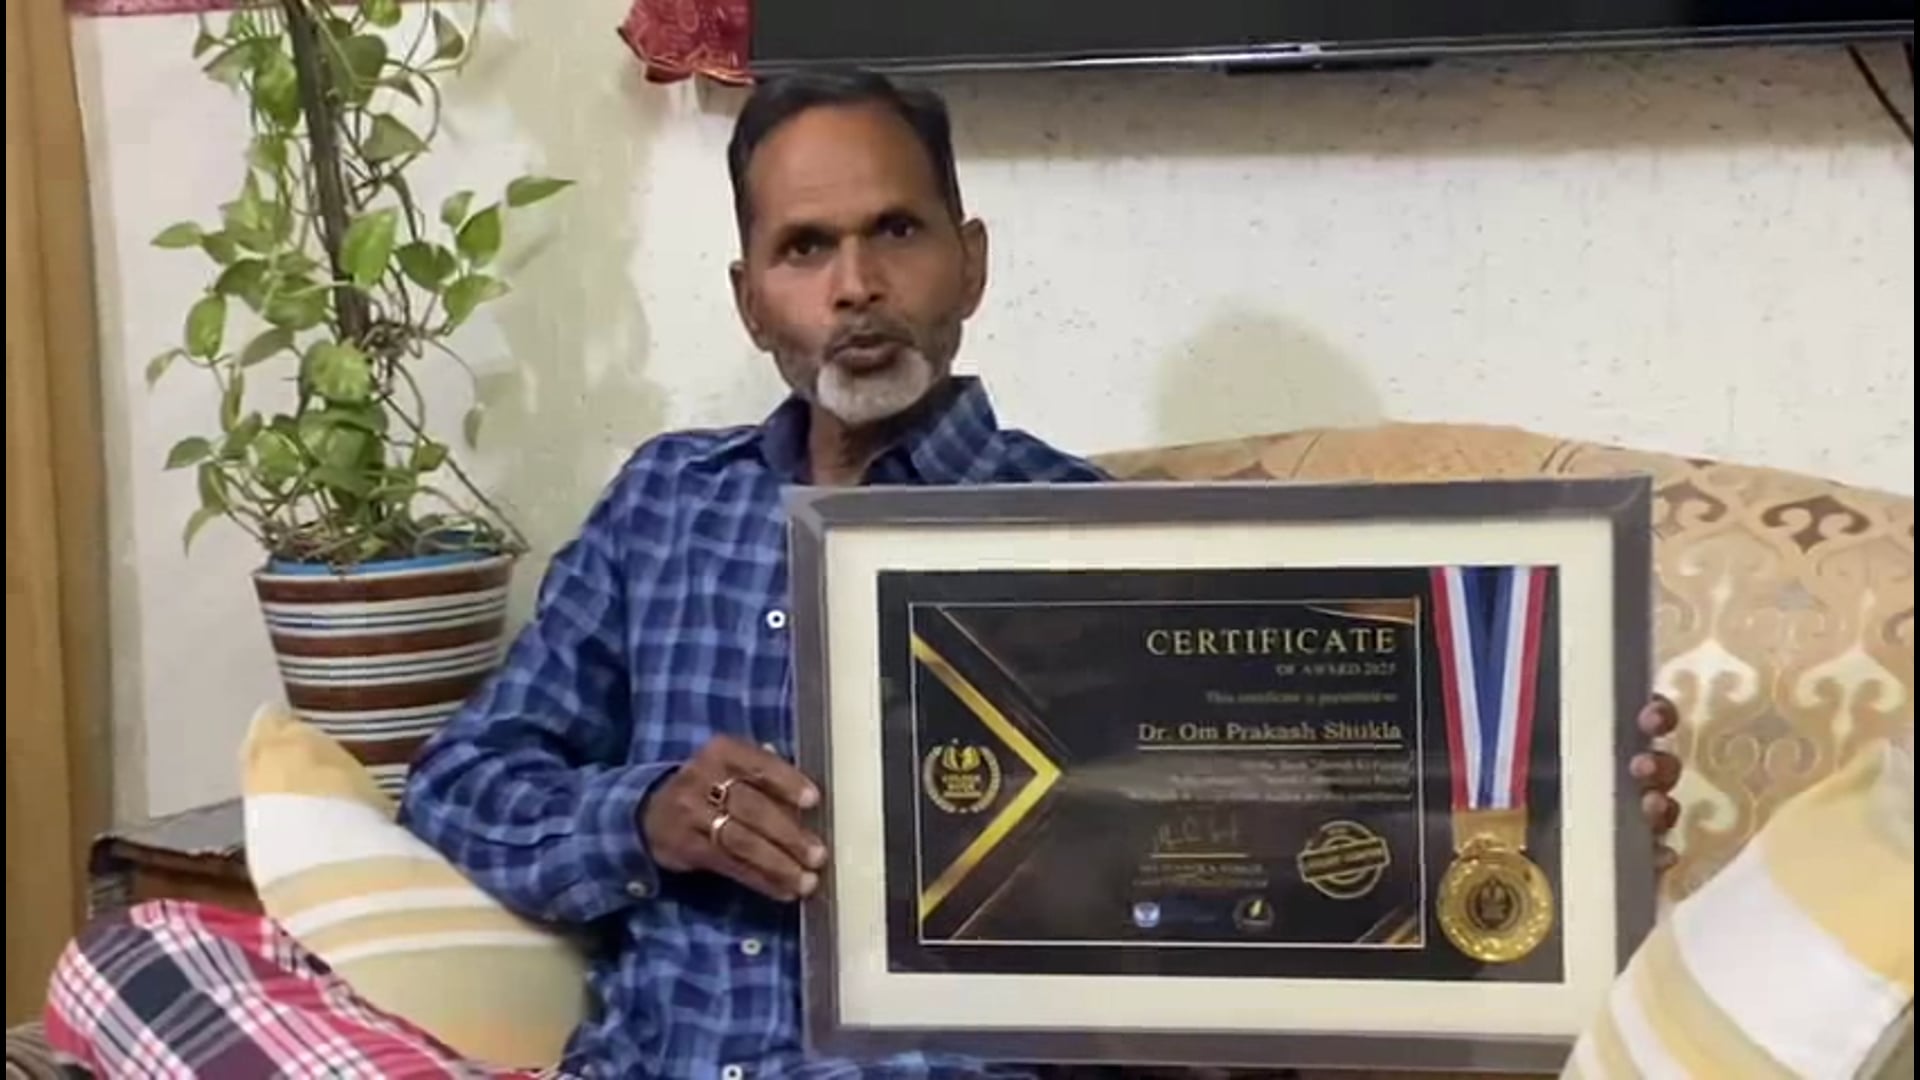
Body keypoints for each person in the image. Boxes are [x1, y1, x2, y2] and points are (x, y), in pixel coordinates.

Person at [43, 69, 1684, 1079]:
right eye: (806, 249)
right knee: (136, 960)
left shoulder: (1094, 543)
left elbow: (1283, 843)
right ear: (752, 297)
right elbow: (468, 783)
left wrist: (1548, 796)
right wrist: (647, 813)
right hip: (643, 1060)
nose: (855, 288)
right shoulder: (666, 504)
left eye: (896, 233)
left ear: (970, 260)